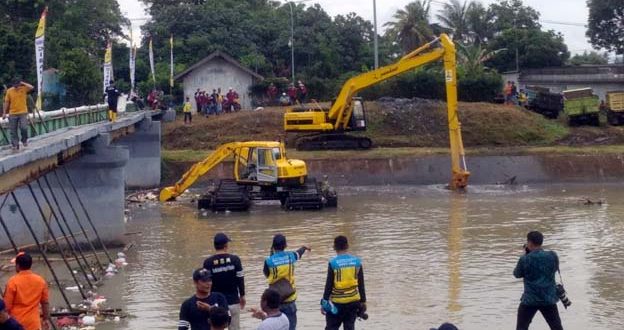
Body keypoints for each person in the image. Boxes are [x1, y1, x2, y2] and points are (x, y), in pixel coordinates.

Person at [514, 231, 563, 330]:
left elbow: (517, 274)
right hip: (548, 298)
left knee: (521, 328)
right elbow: (554, 269)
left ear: (529, 242)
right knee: (557, 328)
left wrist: (526, 254)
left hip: (530, 300)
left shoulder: (525, 259)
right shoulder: (553, 255)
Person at [263, 234, 310, 330]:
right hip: (290, 299)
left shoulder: (268, 261)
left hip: (274, 302)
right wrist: (304, 247)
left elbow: (266, 274)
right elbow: (299, 253)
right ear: (285, 246)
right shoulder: (290, 257)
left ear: (273, 246)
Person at [203, 233, 246, 330]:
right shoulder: (235, 260)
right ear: (226, 246)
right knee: (234, 328)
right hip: (233, 301)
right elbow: (240, 279)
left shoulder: (208, 262)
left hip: (216, 305)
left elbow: (205, 283)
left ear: (215, 246)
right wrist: (242, 296)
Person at [322, 236, 366, 330]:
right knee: (349, 327)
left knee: (331, 327)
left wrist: (324, 303)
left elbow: (328, 285)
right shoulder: (357, 262)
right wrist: (363, 301)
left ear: (334, 247)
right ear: (347, 246)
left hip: (337, 303)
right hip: (353, 302)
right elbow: (361, 284)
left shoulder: (333, 263)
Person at [3, 252, 50, 330]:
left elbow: (7, 306)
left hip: (16, 324)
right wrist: (45, 319)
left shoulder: (13, 282)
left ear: (17, 266)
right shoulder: (40, 281)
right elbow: (45, 303)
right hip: (33, 324)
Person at [2, 79, 34, 151]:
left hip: (23, 112)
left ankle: (24, 140)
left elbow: (32, 87)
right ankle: (15, 144)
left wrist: (23, 83)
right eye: (14, 85)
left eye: (17, 85)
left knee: (24, 127)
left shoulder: (23, 88)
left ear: (19, 84)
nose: (16, 86)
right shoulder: (9, 91)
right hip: (13, 113)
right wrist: (4, 112)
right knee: (13, 130)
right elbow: (6, 102)